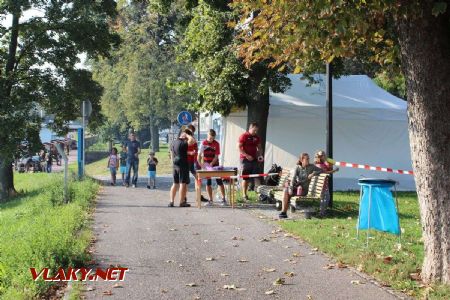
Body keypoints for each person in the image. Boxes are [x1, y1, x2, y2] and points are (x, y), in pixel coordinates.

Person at [279, 153, 323, 219]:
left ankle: (284, 213)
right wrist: (290, 188)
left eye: (309, 158)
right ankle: (283, 212)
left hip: (303, 190)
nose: (308, 160)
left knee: (287, 194)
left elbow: (321, 170)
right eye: (307, 159)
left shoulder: (311, 167)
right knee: (286, 191)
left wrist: (313, 173)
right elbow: (293, 178)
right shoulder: (297, 167)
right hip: (296, 188)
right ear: (302, 160)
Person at [198, 129, 226, 206]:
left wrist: (212, 163)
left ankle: (224, 199)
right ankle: (210, 200)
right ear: (207, 136)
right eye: (210, 138)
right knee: (208, 182)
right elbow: (199, 155)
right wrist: (201, 164)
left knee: (219, 181)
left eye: (212, 138)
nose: (211, 140)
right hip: (206, 164)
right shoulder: (203, 143)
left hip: (215, 164)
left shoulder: (216, 144)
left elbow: (216, 156)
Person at [169, 129, 195, 207]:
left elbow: (172, 154)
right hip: (183, 165)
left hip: (175, 165)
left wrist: (173, 164)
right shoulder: (183, 142)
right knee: (182, 184)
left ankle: (171, 201)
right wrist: (186, 135)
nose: (188, 137)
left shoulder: (173, 142)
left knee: (175, 183)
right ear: (183, 135)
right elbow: (192, 140)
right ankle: (181, 202)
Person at [238, 122, 263, 200]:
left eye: (257, 131)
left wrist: (260, 155)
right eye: (254, 130)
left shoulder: (257, 137)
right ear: (250, 128)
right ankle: (244, 195)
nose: (255, 132)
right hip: (245, 160)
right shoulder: (244, 136)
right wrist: (246, 155)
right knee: (246, 178)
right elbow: (238, 148)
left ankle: (260, 195)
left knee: (257, 176)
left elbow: (259, 148)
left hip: (254, 160)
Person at [314, 150, 339, 216]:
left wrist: (330, 164)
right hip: (322, 185)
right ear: (319, 157)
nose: (325, 156)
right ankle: (322, 213)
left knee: (326, 198)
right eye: (323, 155)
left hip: (324, 183)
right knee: (325, 198)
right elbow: (325, 172)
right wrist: (335, 170)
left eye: (325, 155)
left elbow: (329, 167)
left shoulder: (323, 163)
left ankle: (322, 212)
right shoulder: (318, 164)